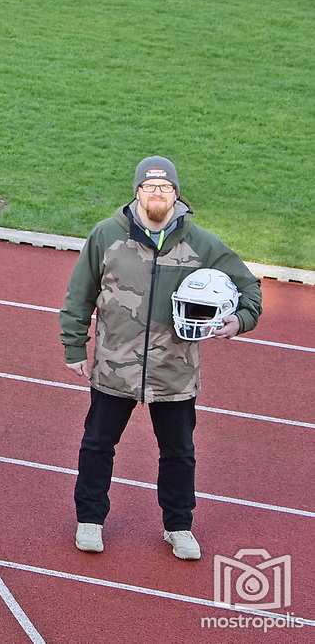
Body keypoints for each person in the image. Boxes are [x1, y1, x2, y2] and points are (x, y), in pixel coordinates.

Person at [60, 156, 261, 560]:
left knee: (179, 453)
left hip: (175, 373)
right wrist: (74, 346)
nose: (157, 193)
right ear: (136, 191)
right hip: (114, 368)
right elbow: (79, 294)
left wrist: (238, 321)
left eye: (164, 188)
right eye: (149, 187)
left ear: (176, 194)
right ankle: (90, 520)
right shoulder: (105, 235)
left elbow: (249, 290)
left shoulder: (202, 243)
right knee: (97, 446)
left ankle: (178, 526)